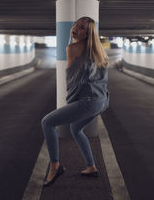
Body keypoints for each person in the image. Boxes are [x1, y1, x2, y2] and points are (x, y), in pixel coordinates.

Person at [41, 16, 110, 187]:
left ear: (88, 33)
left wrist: (70, 102)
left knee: (47, 122)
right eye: (76, 25)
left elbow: (71, 82)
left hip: (88, 102)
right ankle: (91, 167)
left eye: (81, 28)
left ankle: (55, 166)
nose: (75, 29)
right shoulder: (99, 50)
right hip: (102, 101)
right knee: (75, 128)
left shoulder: (72, 48)